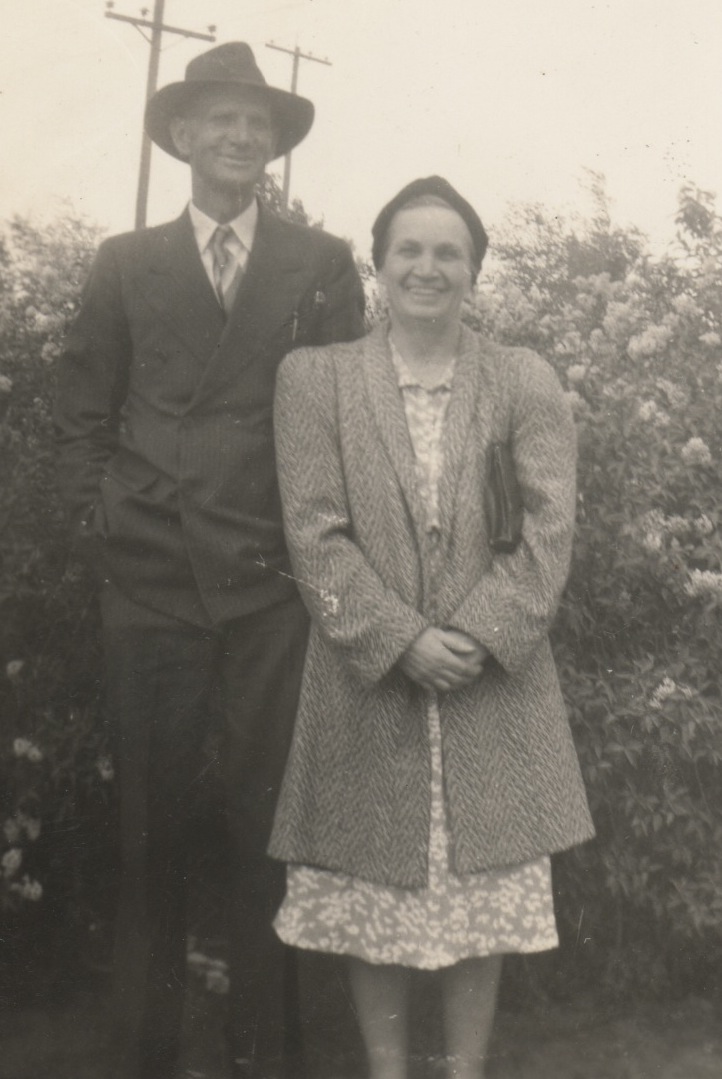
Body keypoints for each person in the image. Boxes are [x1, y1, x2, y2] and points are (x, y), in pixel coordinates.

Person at [54, 41, 365, 1079]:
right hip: (147, 577)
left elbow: (338, 422)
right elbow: (81, 413)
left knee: (266, 817)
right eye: (218, 121)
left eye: (256, 124)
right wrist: (109, 514)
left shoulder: (317, 265)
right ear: (182, 136)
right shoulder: (124, 261)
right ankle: (140, 1054)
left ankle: (266, 1052)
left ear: (272, 145)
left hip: (268, 583)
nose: (239, 137)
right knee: (149, 828)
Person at [268, 176, 595, 1079]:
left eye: (449, 251)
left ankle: (463, 1069)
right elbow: (315, 532)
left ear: (475, 269)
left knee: (482, 886)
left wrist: (479, 638)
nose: (427, 267)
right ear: (377, 265)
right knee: (373, 879)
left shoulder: (523, 378)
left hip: (492, 682)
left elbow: (548, 530)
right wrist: (399, 639)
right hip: (367, 676)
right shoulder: (316, 381)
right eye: (408, 249)